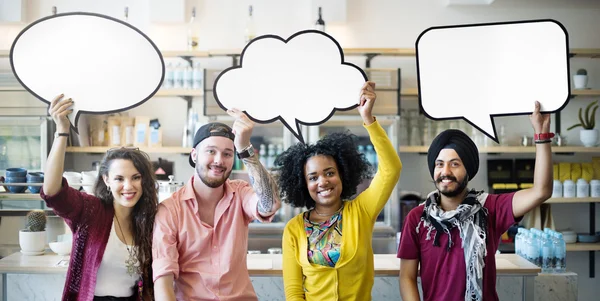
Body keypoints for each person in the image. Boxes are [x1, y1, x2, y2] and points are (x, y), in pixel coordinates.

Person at [397, 101, 553, 301]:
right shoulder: (417, 218)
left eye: (455, 164)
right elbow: (407, 277)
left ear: (467, 170)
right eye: (439, 164)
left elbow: (541, 191)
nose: (445, 172)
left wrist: (542, 137)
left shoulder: (490, 208)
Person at [276, 81, 402, 301]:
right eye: (313, 177)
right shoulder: (294, 229)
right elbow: (294, 291)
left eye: (329, 173)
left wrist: (368, 120)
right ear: (304, 184)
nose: (323, 182)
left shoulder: (361, 211)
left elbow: (391, 169)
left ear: (342, 174)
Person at [152, 109, 282, 300]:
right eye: (211, 151)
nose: (219, 160)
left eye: (228, 154)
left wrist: (245, 148)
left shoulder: (240, 193)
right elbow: (163, 280)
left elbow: (269, 204)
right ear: (195, 155)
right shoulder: (170, 211)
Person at [40, 94, 158, 300]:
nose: (128, 186)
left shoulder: (149, 220)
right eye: (119, 178)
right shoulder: (91, 210)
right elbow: (52, 192)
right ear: (106, 180)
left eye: (136, 177)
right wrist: (62, 132)